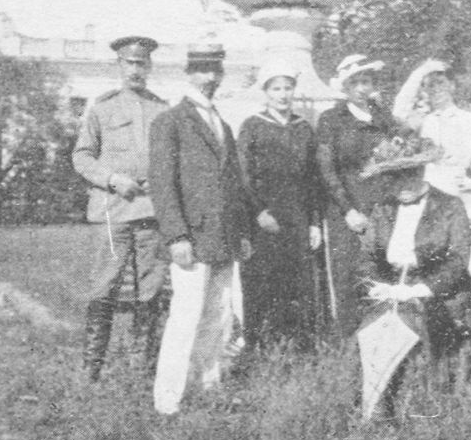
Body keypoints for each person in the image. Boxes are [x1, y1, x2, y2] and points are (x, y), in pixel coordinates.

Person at [148, 45, 254, 415]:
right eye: (203, 70)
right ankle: (168, 401)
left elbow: (233, 184)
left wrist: (241, 232)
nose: (210, 78)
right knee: (185, 318)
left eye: (216, 71)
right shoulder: (170, 121)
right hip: (191, 238)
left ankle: (209, 390)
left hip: (223, 237)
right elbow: (162, 184)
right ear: (189, 73)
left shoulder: (221, 123)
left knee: (219, 316)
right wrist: (176, 236)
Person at [356, 134, 471, 420]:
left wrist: (417, 289)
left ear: (421, 171)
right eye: (393, 179)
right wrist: (376, 286)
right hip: (391, 288)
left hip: (439, 292)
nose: (401, 186)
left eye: (408, 176)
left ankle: (412, 404)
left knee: (406, 322)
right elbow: (368, 256)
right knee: (370, 329)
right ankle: (374, 403)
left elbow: (458, 261)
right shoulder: (384, 208)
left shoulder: (449, 206)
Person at [72, 35, 169, 382]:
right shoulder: (102, 108)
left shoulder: (162, 110)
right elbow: (82, 156)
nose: (135, 70)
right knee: (105, 287)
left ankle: (142, 371)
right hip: (113, 211)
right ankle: (91, 371)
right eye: (129, 63)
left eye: (141, 63)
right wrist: (112, 179)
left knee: (151, 290)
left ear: (150, 66)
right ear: (119, 65)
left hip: (152, 213)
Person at [238, 61, 323, 350]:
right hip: (264, 219)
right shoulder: (253, 126)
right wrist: (259, 211)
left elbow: (313, 179)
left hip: (297, 217)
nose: (283, 95)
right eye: (276, 89)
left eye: (288, 88)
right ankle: (260, 347)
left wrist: (314, 222)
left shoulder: (303, 128)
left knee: (297, 284)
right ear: (265, 92)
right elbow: (243, 175)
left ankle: (296, 347)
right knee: (264, 282)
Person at [316, 54, 397, 337]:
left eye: (367, 82)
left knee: (382, 272)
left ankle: (383, 339)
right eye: (355, 83)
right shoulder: (332, 119)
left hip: (382, 207)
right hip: (347, 210)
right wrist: (348, 209)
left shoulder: (382, 116)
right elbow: (326, 169)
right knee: (349, 275)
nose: (362, 88)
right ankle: (349, 341)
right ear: (345, 87)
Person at [392, 59, 471, 217]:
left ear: (452, 86)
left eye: (440, 83)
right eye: (430, 85)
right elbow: (398, 112)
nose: (435, 89)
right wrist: (420, 72)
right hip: (428, 203)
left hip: (462, 199)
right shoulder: (422, 122)